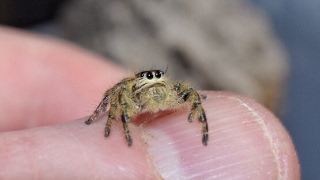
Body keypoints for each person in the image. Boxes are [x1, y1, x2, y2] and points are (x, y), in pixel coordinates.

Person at [0, 26, 299, 179]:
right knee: (116, 92)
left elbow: (188, 91)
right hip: (131, 111)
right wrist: (111, 125)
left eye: (158, 78)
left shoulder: (171, 89)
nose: (153, 82)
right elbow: (116, 93)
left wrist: (200, 116)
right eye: (148, 78)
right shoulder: (129, 91)